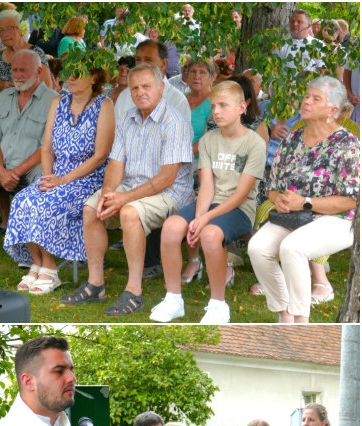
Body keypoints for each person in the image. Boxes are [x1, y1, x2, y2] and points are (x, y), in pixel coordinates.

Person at [61, 64, 194, 316]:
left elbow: (167, 178)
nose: (140, 92)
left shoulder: (174, 123)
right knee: (92, 207)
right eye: (135, 87)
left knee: (129, 212)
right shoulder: (127, 119)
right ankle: (95, 284)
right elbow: (115, 163)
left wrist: (123, 199)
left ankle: (134, 292)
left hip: (169, 193)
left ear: (161, 88)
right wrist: (109, 193)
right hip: (132, 186)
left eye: (146, 86)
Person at [152, 81, 266, 324]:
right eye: (214, 106)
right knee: (172, 226)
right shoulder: (207, 140)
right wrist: (197, 218)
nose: (216, 111)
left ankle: (218, 305)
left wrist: (205, 220)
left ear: (241, 107)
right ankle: (173, 299)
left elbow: (241, 195)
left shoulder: (254, 143)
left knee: (211, 235)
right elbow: (206, 186)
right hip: (210, 202)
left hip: (238, 208)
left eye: (224, 105)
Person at [248, 76, 359, 322]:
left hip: (337, 219)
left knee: (292, 248)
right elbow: (274, 186)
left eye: (315, 98)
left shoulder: (347, 145)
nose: (306, 101)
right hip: (294, 214)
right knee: (257, 248)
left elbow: (351, 200)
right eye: (307, 95)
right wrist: (279, 200)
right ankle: (284, 312)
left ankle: (301, 320)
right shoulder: (292, 139)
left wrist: (305, 202)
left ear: (332, 110)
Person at [4, 67, 114, 293]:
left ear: (94, 78)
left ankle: (51, 270)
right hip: (56, 175)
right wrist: (48, 178)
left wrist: (63, 180)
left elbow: (100, 155)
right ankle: (37, 263)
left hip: (87, 178)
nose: (70, 77)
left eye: (78, 73)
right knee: (23, 199)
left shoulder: (104, 105)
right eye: (69, 73)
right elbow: (46, 148)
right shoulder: (58, 102)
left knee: (46, 203)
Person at [0, 49, 57, 240]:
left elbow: (49, 147)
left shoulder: (54, 101)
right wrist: (0, 170)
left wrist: (15, 173)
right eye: (14, 70)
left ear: (39, 72)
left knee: (44, 177)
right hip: (2, 166)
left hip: (33, 168)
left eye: (23, 70)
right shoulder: (5, 97)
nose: (17, 75)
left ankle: (33, 242)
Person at [114, 41, 192, 127]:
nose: (142, 64)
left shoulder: (177, 100)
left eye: (148, 60)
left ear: (163, 64)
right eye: (138, 60)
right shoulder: (125, 96)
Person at [0, 10, 51, 102]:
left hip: (29, 113)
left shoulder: (35, 53)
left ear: (22, 30)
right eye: (0, 30)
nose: (5, 34)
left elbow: (47, 89)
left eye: (9, 29)